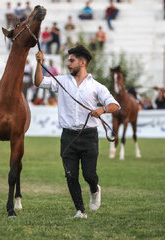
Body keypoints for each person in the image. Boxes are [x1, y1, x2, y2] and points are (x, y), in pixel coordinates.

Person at [34, 45, 120, 218]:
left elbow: (115, 105)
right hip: (68, 136)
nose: (68, 64)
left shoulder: (96, 86)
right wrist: (39, 63)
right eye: (68, 61)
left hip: (89, 136)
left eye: (72, 61)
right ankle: (80, 211)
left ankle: (95, 189)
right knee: (70, 176)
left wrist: (102, 110)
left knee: (89, 175)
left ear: (83, 62)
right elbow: (39, 82)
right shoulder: (62, 81)